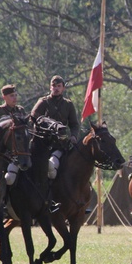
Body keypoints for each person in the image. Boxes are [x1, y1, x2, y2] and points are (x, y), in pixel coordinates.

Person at [30, 75, 81, 211]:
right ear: (50, 87)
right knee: (50, 168)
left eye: (59, 86)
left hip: (60, 146)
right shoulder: (43, 102)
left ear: (63, 88)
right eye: (54, 86)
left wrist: (74, 137)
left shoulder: (68, 105)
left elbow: (74, 125)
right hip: (42, 146)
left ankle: (79, 200)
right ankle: (48, 200)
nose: (56, 88)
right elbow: (33, 117)